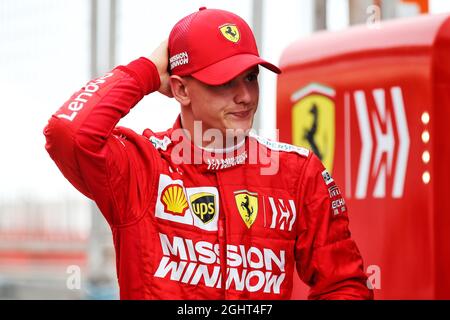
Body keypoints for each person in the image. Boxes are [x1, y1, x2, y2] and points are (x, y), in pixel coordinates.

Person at [43, 7, 373, 300]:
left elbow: (345, 285)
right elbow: (68, 133)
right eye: (225, 81)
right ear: (181, 89)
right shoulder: (142, 167)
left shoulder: (297, 172)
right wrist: (145, 72)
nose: (245, 96)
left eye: (251, 76)